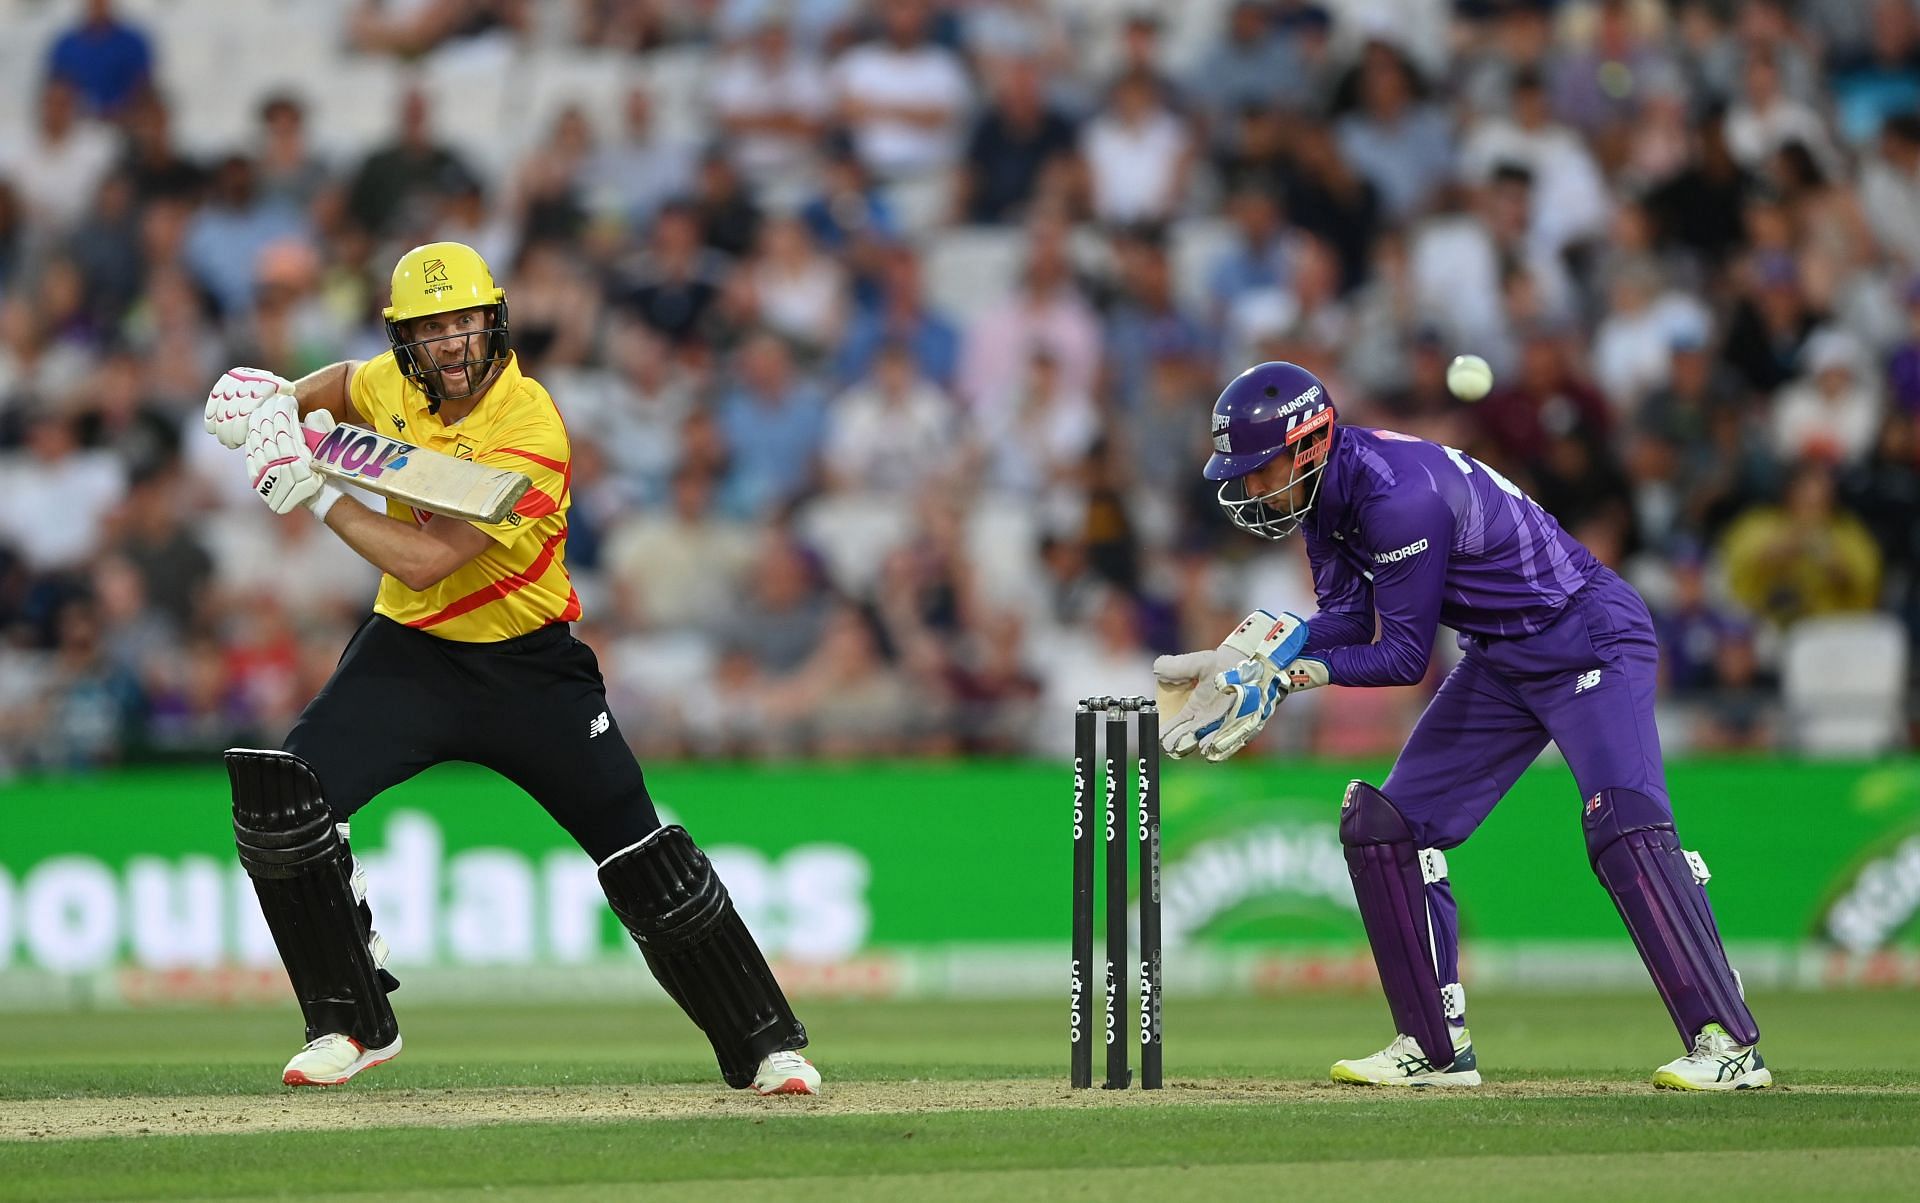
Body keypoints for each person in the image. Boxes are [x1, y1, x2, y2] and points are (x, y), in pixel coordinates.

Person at [198, 241, 819, 1096]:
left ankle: (765, 1046)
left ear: (494, 322)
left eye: (464, 323)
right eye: (432, 329)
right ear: (406, 339)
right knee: (282, 800)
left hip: (529, 668)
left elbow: (427, 560)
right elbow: (347, 382)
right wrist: (277, 398)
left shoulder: (530, 426)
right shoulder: (392, 381)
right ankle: (349, 1023)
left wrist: (314, 487)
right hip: (410, 653)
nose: (452, 343)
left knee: (639, 850)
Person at [1156, 361, 1769, 1092]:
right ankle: (1433, 1047)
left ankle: (1727, 1042)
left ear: (1311, 444)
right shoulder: (1324, 501)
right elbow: (1351, 617)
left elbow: (1403, 656)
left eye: (1261, 469)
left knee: (1622, 824)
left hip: (1586, 633)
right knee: (1385, 825)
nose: (1252, 489)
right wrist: (1253, 649)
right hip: (1505, 657)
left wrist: (1286, 679)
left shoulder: (1397, 497)